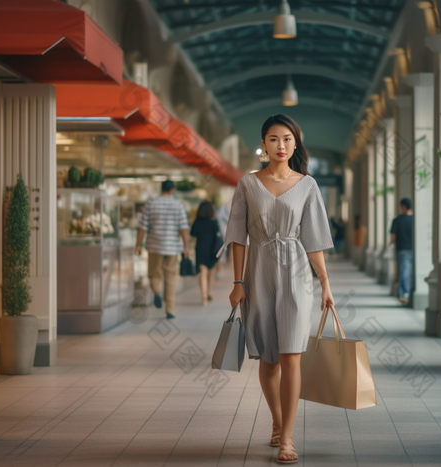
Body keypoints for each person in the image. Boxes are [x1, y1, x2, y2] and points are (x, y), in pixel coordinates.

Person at [216, 114, 335, 464]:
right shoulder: (247, 184)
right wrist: (237, 283)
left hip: (298, 276)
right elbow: (238, 237)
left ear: (295, 143)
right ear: (263, 145)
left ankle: (287, 437)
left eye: (286, 139)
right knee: (268, 360)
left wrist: (325, 284)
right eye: (273, 139)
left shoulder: (308, 185)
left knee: (291, 356)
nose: (280, 145)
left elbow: (313, 240)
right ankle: (277, 419)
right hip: (259, 273)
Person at [135, 180, 190, 319]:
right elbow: (183, 228)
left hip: (154, 246)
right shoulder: (178, 205)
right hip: (172, 248)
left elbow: (142, 227)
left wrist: (138, 245)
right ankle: (170, 310)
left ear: (162, 189)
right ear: (172, 190)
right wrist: (186, 247)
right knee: (171, 278)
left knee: (154, 274)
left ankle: (158, 292)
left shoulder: (151, 204)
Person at [190, 200, 220, 305]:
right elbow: (218, 235)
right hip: (213, 249)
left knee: (202, 272)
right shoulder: (213, 222)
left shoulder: (197, 222)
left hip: (201, 248)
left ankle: (204, 296)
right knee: (211, 272)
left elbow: (192, 233)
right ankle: (209, 292)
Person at [389, 198, 414, 304]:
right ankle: (408, 292)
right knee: (411, 272)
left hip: (402, 249)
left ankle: (404, 293)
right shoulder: (415, 220)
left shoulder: (397, 220)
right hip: (414, 250)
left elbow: (393, 237)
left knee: (404, 272)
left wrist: (389, 245)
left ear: (403, 206)